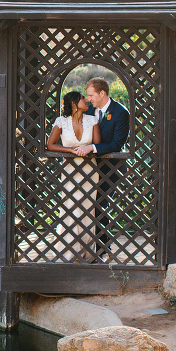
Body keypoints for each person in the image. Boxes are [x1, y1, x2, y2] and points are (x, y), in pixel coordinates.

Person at [71, 77, 130, 257]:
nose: (89, 99)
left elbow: (117, 144)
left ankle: (103, 249)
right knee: (87, 206)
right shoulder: (90, 112)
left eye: (91, 95)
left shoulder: (120, 113)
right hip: (90, 168)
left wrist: (92, 148)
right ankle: (89, 246)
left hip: (111, 168)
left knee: (101, 206)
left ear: (102, 93)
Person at [46, 90, 102, 262]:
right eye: (83, 98)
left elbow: (97, 144)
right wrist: (70, 150)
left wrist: (88, 148)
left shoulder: (92, 120)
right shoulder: (61, 122)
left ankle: (86, 252)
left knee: (86, 210)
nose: (87, 101)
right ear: (73, 103)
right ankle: (69, 251)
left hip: (89, 171)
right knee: (71, 209)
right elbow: (51, 144)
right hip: (70, 170)